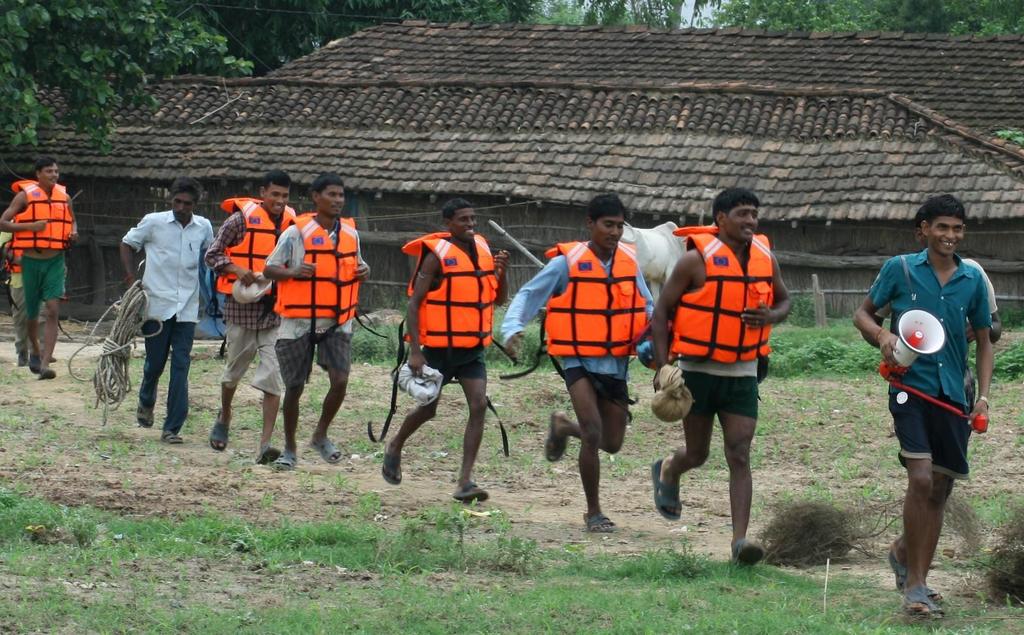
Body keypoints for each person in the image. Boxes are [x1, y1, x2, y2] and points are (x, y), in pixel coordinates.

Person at [854, 194, 992, 618]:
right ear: (923, 230)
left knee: (940, 488)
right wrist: (883, 337)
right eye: (942, 227)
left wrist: (983, 396)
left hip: (954, 394)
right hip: (908, 386)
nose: (950, 235)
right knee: (920, 479)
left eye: (957, 228)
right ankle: (915, 587)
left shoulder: (972, 278)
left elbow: (986, 342)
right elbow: (863, 314)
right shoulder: (899, 269)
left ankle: (905, 555)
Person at [649, 187, 790, 564]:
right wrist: (663, 366)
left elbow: (785, 300)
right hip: (697, 372)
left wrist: (772, 316)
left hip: (743, 373)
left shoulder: (765, 257)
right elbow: (661, 314)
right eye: (743, 214)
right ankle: (668, 469)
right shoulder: (694, 262)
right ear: (721, 219)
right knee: (697, 453)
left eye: (754, 215)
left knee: (739, 453)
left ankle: (739, 542)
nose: (750, 221)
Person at [501, 193, 652, 530]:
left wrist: (656, 339)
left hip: (616, 362)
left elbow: (648, 306)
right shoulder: (567, 263)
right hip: (578, 359)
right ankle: (594, 512)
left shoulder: (629, 263)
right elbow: (528, 294)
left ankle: (563, 426)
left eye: (619, 226)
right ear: (590, 224)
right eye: (607, 225)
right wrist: (512, 327)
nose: (613, 232)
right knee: (595, 433)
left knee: (612, 442)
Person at [381, 198, 509, 503]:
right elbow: (414, 302)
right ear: (448, 224)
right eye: (463, 220)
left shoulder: (482, 249)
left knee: (478, 406)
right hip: (439, 347)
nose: (470, 225)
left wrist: (500, 272)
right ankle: (396, 445)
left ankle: (465, 480)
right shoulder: (435, 257)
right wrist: (415, 350)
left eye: (472, 219)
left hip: (471, 349)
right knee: (429, 409)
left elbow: (498, 299)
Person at [262, 173, 369, 470]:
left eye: (341, 195)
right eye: (331, 195)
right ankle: (290, 448)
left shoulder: (351, 234)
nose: (337, 201)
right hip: (297, 321)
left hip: (337, 321)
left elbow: (359, 264)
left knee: (341, 380)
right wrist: (294, 271)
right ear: (315, 197)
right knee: (295, 387)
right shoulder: (295, 233)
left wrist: (364, 271)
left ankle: (320, 434)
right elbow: (269, 269)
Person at [204, 170, 296, 462]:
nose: (279, 201)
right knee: (233, 373)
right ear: (262, 192)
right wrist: (237, 270)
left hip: (275, 313)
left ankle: (265, 444)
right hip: (241, 308)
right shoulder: (240, 220)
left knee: (273, 378)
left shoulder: (294, 225)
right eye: (274, 195)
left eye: (284, 196)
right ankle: (225, 415)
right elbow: (213, 254)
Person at [120, 177, 214, 443]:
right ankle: (146, 399)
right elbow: (127, 244)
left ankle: (172, 427)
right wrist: (130, 279)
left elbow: (210, 258)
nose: (181, 207)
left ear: (196, 204)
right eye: (177, 201)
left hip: (187, 308)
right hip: (156, 307)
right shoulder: (153, 222)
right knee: (155, 364)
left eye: (187, 203)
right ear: (170, 199)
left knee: (181, 365)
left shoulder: (204, 228)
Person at [0, 158, 77, 379]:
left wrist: (73, 232)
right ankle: (31, 350)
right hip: (29, 264)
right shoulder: (24, 196)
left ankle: (44, 363)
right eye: (49, 171)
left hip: (55, 261)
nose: (54, 174)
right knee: (30, 315)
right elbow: (3, 223)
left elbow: (72, 221)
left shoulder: (65, 198)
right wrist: (31, 226)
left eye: (56, 171)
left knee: (52, 310)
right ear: (38, 174)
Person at [0, 231, 50, 367]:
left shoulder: (47, 219)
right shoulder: (13, 221)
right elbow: (3, 247)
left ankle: (41, 354)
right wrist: (16, 259)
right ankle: (22, 351)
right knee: (21, 317)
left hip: (43, 274)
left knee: (43, 315)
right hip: (19, 277)